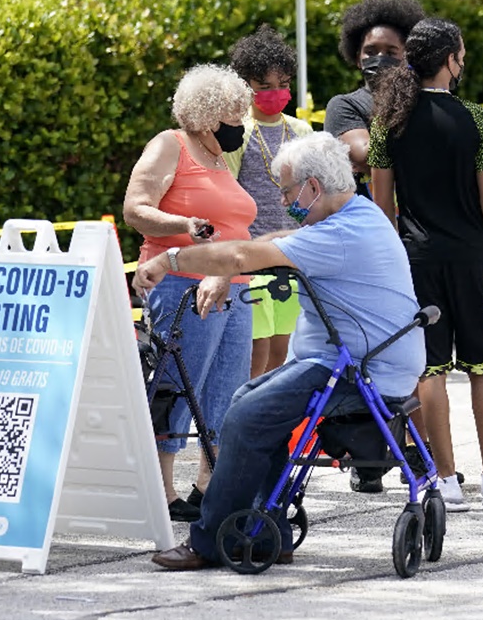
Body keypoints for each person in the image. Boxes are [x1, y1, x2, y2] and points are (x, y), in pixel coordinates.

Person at [136, 132, 425, 570]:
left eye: (288, 190)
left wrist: (170, 260)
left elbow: (241, 255)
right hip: (367, 361)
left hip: (356, 369)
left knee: (247, 415)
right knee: (248, 403)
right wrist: (225, 267)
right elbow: (276, 239)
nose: (285, 198)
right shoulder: (360, 215)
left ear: (312, 187)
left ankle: (211, 540)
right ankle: (264, 528)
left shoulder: (337, 236)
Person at [368, 18, 483, 513]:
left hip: (415, 260)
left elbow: (381, 198)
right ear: (451, 60)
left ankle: (446, 478)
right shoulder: (475, 118)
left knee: (430, 369)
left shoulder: (389, 119)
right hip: (473, 257)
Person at [122, 64, 257, 523]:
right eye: (232, 116)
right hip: (180, 282)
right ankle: (160, 490)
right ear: (206, 115)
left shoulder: (220, 157)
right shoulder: (171, 145)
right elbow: (135, 209)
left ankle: (207, 486)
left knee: (226, 392)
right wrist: (184, 226)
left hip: (235, 287)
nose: (240, 125)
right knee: (178, 387)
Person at [224, 24, 313, 380]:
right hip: (252, 255)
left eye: (282, 84)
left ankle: (264, 412)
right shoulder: (239, 132)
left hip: (292, 256)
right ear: (246, 87)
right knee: (255, 347)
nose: (275, 93)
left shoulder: (302, 131)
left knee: (281, 345)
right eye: (264, 87)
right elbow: (227, 189)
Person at [323, 0, 426, 197]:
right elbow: (365, 156)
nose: (380, 59)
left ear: (407, 57)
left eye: (391, 52)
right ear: (358, 59)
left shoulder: (423, 100)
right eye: (370, 51)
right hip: (367, 221)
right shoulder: (344, 105)